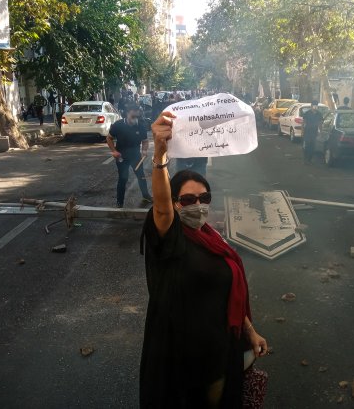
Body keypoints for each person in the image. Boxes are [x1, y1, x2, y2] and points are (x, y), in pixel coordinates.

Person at [140, 110, 268, 408]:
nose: (197, 205)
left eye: (204, 198)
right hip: (180, 365)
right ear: (174, 202)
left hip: (221, 356)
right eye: (187, 200)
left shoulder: (211, 237)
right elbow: (159, 208)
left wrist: (250, 332)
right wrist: (159, 155)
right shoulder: (168, 237)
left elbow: (226, 292)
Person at [106, 103, 152, 208]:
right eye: (133, 116)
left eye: (137, 116)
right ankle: (119, 202)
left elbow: (145, 140)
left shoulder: (141, 125)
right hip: (121, 156)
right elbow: (109, 138)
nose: (136, 119)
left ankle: (146, 195)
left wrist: (144, 150)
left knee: (141, 176)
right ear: (127, 114)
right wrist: (113, 151)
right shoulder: (118, 125)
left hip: (136, 155)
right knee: (123, 178)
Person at [302, 100, 323, 164]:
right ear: (311, 106)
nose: (315, 107)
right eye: (314, 106)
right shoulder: (307, 113)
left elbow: (320, 123)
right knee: (307, 146)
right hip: (307, 132)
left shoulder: (319, 114)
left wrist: (320, 132)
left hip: (314, 132)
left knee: (313, 146)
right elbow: (303, 123)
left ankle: (310, 159)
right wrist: (302, 131)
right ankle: (306, 159)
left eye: (316, 106)